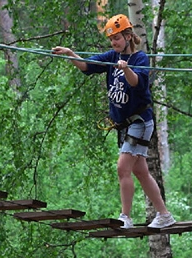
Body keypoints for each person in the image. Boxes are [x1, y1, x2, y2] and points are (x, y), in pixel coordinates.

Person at [51, 14, 176, 230]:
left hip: (140, 122)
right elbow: (87, 66)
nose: (113, 43)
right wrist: (71, 54)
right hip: (126, 125)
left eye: (117, 38)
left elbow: (137, 83)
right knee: (140, 171)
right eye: (111, 40)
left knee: (122, 168)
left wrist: (125, 68)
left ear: (128, 36)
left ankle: (125, 217)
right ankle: (164, 215)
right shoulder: (111, 56)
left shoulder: (140, 59)